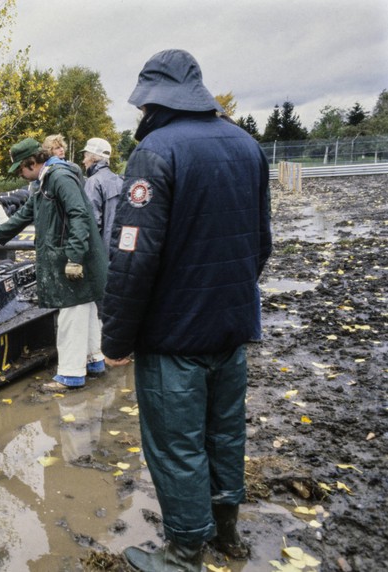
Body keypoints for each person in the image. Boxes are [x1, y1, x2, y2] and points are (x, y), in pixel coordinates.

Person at [100, 49, 272, 571]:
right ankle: (227, 536)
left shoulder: (155, 153)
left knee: (177, 447)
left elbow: (133, 259)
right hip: (231, 332)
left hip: (174, 341)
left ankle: (183, 553)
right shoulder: (247, 146)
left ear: (152, 99)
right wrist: (227, 297)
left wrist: (116, 341)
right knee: (224, 434)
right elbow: (261, 243)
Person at [0, 138, 107, 391]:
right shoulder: (44, 181)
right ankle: (94, 360)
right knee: (86, 309)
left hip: (73, 258)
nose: (19, 174)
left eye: (20, 169)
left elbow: (79, 214)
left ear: (32, 162)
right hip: (71, 255)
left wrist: (74, 257)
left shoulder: (59, 178)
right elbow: (27, 212)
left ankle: (71, 374)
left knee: (72, 312)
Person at [81, 137, 124, 253]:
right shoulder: (119, 180)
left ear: (93, 158)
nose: (83, 161)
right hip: (119, 249)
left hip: (101, 253)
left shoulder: (93, 181)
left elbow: (92, 222)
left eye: (85, 156)